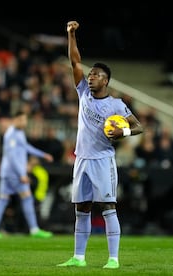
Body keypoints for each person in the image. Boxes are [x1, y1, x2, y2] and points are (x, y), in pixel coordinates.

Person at [57, 21, 144, 269]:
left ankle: (113, 259)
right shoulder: (83, 92)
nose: (90, 77)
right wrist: (71, 35)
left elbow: (139, 126)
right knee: (81, 209)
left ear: (106, 81)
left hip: (103, 159)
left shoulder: (116, 105)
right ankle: (79, 257)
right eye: (91, 74)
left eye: (96, 75)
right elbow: (75, 62)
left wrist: (123, 130)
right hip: (82, 158)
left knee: (108, 207)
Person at [0, 111, 54, 238]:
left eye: (25, 120)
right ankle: (34, 229)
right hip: (13, 173)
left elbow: (26, 147)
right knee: (27, 198)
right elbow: (12, 157)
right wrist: (22, 174)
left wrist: (43, 154)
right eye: (22, 120)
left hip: (7, 172)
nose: (24, 122)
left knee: (3, 199)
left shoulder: (19, 133)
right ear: (15, 120)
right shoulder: (11, 134)